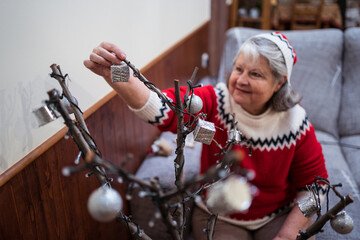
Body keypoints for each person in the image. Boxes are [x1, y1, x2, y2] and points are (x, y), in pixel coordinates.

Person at [84, 32, 328, 240]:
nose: (241, 80)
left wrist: (286, 235)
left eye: (255, 74)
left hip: (276, 215)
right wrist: (119, 77)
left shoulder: (295, 122)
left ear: (279, 82)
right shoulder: (215, 100)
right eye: (238, 69)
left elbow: (315, 187)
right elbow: (164, 110)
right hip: (219, 215)